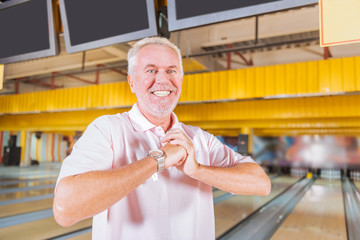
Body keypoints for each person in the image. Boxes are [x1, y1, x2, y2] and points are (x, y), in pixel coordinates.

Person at [53, 37, 271, 239]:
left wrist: (197, 169)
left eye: (171, 71)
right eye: (151, 70)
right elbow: (65, 209)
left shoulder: (198, 139)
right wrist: (157, 160)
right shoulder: (108, 129)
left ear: (181, 80)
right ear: (132, 82)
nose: (163, 80)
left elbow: (261, 184)